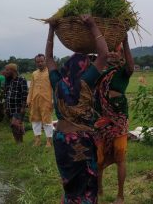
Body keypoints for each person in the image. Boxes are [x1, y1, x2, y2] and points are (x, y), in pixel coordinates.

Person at [46, 14, 109, 203]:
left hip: (61, 140)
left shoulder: (57, 82)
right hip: (80, 141)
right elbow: (104, 55)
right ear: (83, 68)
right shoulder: (85, 82)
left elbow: (48, 58)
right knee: (87, 187)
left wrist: (51, 30)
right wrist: (92, 25)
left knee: (69, 184)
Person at [94, 36, 134, 204]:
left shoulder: (123, 72)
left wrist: (125, 42)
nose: (111, 54)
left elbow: (131, 65)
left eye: (115, 51)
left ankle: (120, 195)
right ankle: (99, 188)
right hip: (101, 120)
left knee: (120, 158)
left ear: (122, 55)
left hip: (118, 121)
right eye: (108, 51)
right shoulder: (100, 73)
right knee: (98, 158)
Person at [27, 54, 54, 147]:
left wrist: (53, 100)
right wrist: (28, 99)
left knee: (47, 121)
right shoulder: (34, 73)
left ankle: (49, 141)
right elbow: (31, 88)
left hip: (47, 100)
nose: (40, 63)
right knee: (35, 120)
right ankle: (37, 140)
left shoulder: (50, 72)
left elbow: (54, 87)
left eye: (42, 61)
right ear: (35, 63)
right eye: (38, 62)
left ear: (45, 61)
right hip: (34, 100)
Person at [3, 63, 28, 143]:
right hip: (10, 107)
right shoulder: (9, 80)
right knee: (14, 126)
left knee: (15, 124)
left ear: (13, 70)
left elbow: (25, 94)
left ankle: (19, 143)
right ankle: (18, 142)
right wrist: (6, 107)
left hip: (18, 107)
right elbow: (7, 94)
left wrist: (23, 108)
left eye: (7, 70)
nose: (5, 71)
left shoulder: (21, 79)